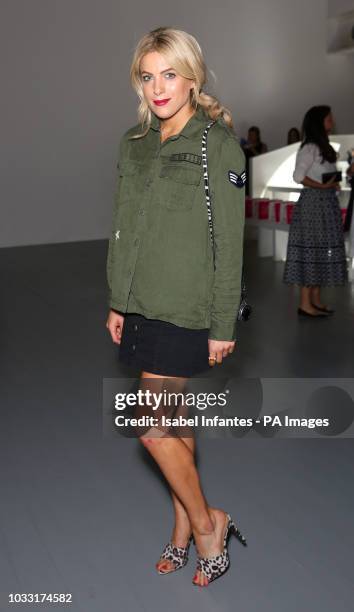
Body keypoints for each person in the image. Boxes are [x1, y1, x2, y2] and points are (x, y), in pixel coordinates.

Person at [105, 27, 246, 587]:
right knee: (177, 426)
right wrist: (118, 299)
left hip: (186, 307)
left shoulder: (219, 144)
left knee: (151, 427)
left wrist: (221, 322)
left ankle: (210, 523)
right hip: (140, 303)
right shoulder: (133, 143)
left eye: (170, 73)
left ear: (192, 77)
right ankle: (183, 531)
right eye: (148, 75)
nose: (158, 87)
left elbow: (229, 244)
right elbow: (123, 228)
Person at [283, 105, 347, 315]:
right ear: (319, 122)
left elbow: (321, 174)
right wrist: (323, 186)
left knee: (322, 251)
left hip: (325, 203)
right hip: (314, 205)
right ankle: (305, 303)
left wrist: (331, 184)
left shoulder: (322, 146)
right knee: (311, 252)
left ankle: (316, 300)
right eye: (329, 119)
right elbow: (298, 176)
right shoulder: (309, 147)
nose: (332, 121)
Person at [242, 126, 268, 195]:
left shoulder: (263, 146)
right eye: (249, 135)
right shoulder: (244, 146)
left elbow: (262, 158)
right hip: (246, 175)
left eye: (252, 135)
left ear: (257, 136)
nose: (250, 137)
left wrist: (252, 149)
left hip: (258, 175)